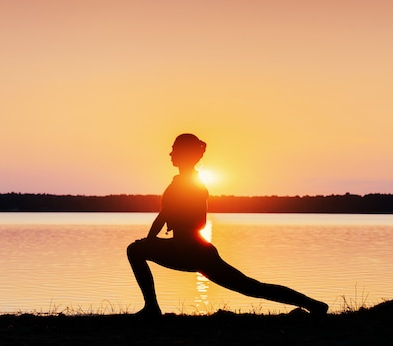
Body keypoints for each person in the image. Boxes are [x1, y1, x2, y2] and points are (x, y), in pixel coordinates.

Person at [127, 133, 328, 317]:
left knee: (253, 288)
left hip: (193, 250)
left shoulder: (192, 184)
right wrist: (151, 240)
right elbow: (165, 215)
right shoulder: (180, 182)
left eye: (174, 149)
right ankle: (151, 307)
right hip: (186, 248)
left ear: (184, 154)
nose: (170, 153)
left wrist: (156, 238)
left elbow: (198, 221)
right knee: (136, 250)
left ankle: (314, 305)